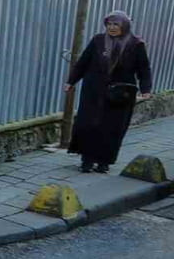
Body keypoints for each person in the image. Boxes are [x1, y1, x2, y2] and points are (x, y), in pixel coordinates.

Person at [65, 10, 152, 174]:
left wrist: (146, 89)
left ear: (125, 26)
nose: (111, 28)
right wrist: (71, 81)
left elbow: (144, 69)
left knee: (112, 127)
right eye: (109, 24)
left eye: (116, 24)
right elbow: (83, 62)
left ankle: (104, 162)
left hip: (121, 93)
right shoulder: (98, 40)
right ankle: (87, 161)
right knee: (89, 124)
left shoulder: (136, 44)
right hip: (94, 91)